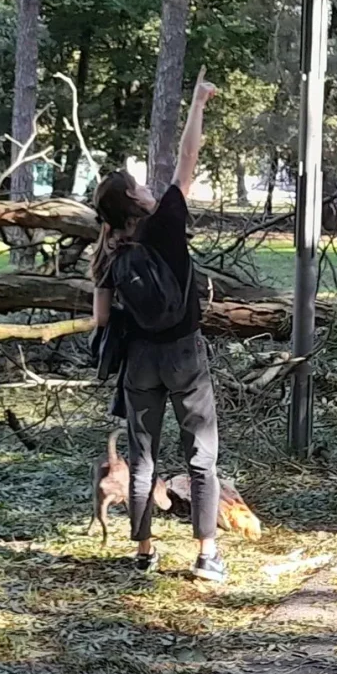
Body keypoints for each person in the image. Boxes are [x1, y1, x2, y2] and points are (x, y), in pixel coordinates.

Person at [92, 71, 226, 583]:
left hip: (139, 361)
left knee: (142, 457)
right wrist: (197, 105)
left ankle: (145, 551)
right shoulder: (166, 222)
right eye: (140, 186)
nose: (149, 187)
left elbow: (102, 319)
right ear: (136, 202)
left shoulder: (108, 251)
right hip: (185, 355)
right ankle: (207, 555)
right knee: (201, 456)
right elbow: (187, 159)